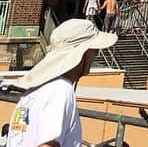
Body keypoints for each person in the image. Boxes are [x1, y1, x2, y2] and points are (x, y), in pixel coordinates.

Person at [8, 18, 117, 147]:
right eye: (94, 49)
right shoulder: (60, 89)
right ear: (82, 53)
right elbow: (48, 145)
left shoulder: (38, 88)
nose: (97, 53)